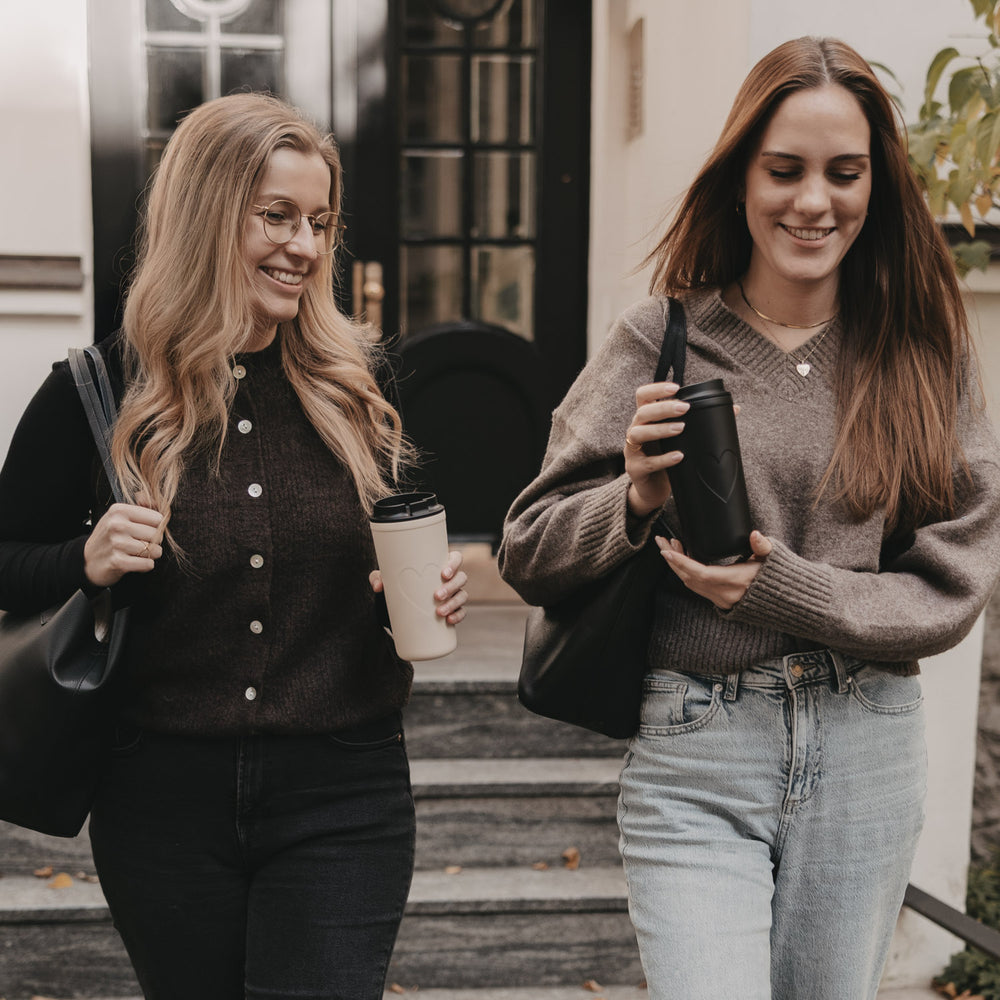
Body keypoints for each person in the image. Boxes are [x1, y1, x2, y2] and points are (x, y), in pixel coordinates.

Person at [498, 35, 1000, 1000]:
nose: (814, 202)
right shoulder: (663, 339)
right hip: (700, 742)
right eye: (785, 171)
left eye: (843, 174)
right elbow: (529, 546)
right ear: (740, 178)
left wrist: (783, 588)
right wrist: (636, 497)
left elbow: (953, 584)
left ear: (876, 187)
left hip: (867, 745)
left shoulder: (922, 350)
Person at [0, 93, 468, 1000]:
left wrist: (414, 594)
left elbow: (387, 555)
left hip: (344, 790)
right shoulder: (95, 393)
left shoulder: (356, 386)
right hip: (162, 802)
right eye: (278, 217)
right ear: (209, 216)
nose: (305, 246)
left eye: (321, 223)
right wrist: (81, 559)